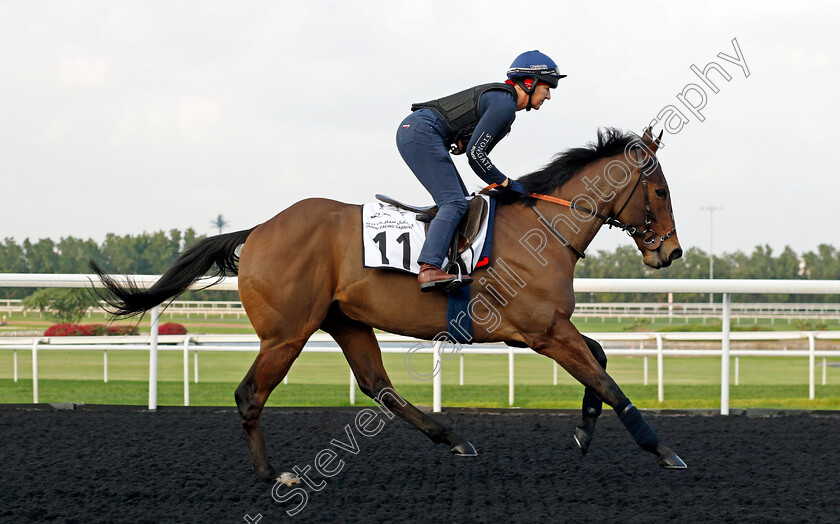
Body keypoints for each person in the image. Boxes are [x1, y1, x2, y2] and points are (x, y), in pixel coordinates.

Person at [396, 50, 566, 293]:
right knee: (454, 204)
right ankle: (429, 267)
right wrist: (507, 183)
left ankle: (450, 263)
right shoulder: (504, 104)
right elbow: (476, 157)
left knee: (465, 203)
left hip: (422, 131)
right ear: (530, 83)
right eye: (547, 88)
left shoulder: (505, 108)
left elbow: (471, 152)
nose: (548, 96)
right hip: (420, 132)